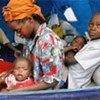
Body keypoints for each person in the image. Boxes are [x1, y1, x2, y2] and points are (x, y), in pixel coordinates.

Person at [2, 0, 64, 92]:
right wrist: (10, 72)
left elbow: (51, 81)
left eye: (18, 30)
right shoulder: (30, 39)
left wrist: (17, 91)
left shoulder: (48, 41)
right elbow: (28, 66)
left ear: (29, 20)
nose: (18, 34)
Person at [65, 12, 100, 89]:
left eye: (98, 26)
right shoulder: (92, 41)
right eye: (91, 24)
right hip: (69, 73)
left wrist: (68, 49)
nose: (93, 28)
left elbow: (69, 61)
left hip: (71, 80)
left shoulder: (97, 47)